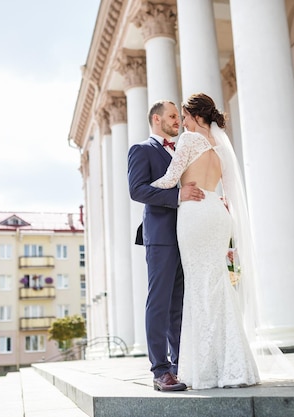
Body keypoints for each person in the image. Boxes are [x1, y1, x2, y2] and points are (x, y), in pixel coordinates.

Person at [151, 93, 294, 389]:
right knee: (217, 283)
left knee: (198, 287)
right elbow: (228, 193)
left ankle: (206, 368)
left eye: (184, 116)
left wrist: (145, 187)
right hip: (217, 213)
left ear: (193, 116)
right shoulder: (221, 147)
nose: (183, 123)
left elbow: (169, 180)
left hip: (194, 213)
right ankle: (235, 364)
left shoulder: (189, 140)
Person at [127, 100, 205, 392]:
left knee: (178, 304)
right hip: (159, 236)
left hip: (187, 234)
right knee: (159, 302)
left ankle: (179, 364)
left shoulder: (182, 148)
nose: (178, 121)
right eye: (173, 116)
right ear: (157, 119)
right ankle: (160, 371)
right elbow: (137, 190)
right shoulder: (142, 150)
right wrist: (177, 197)